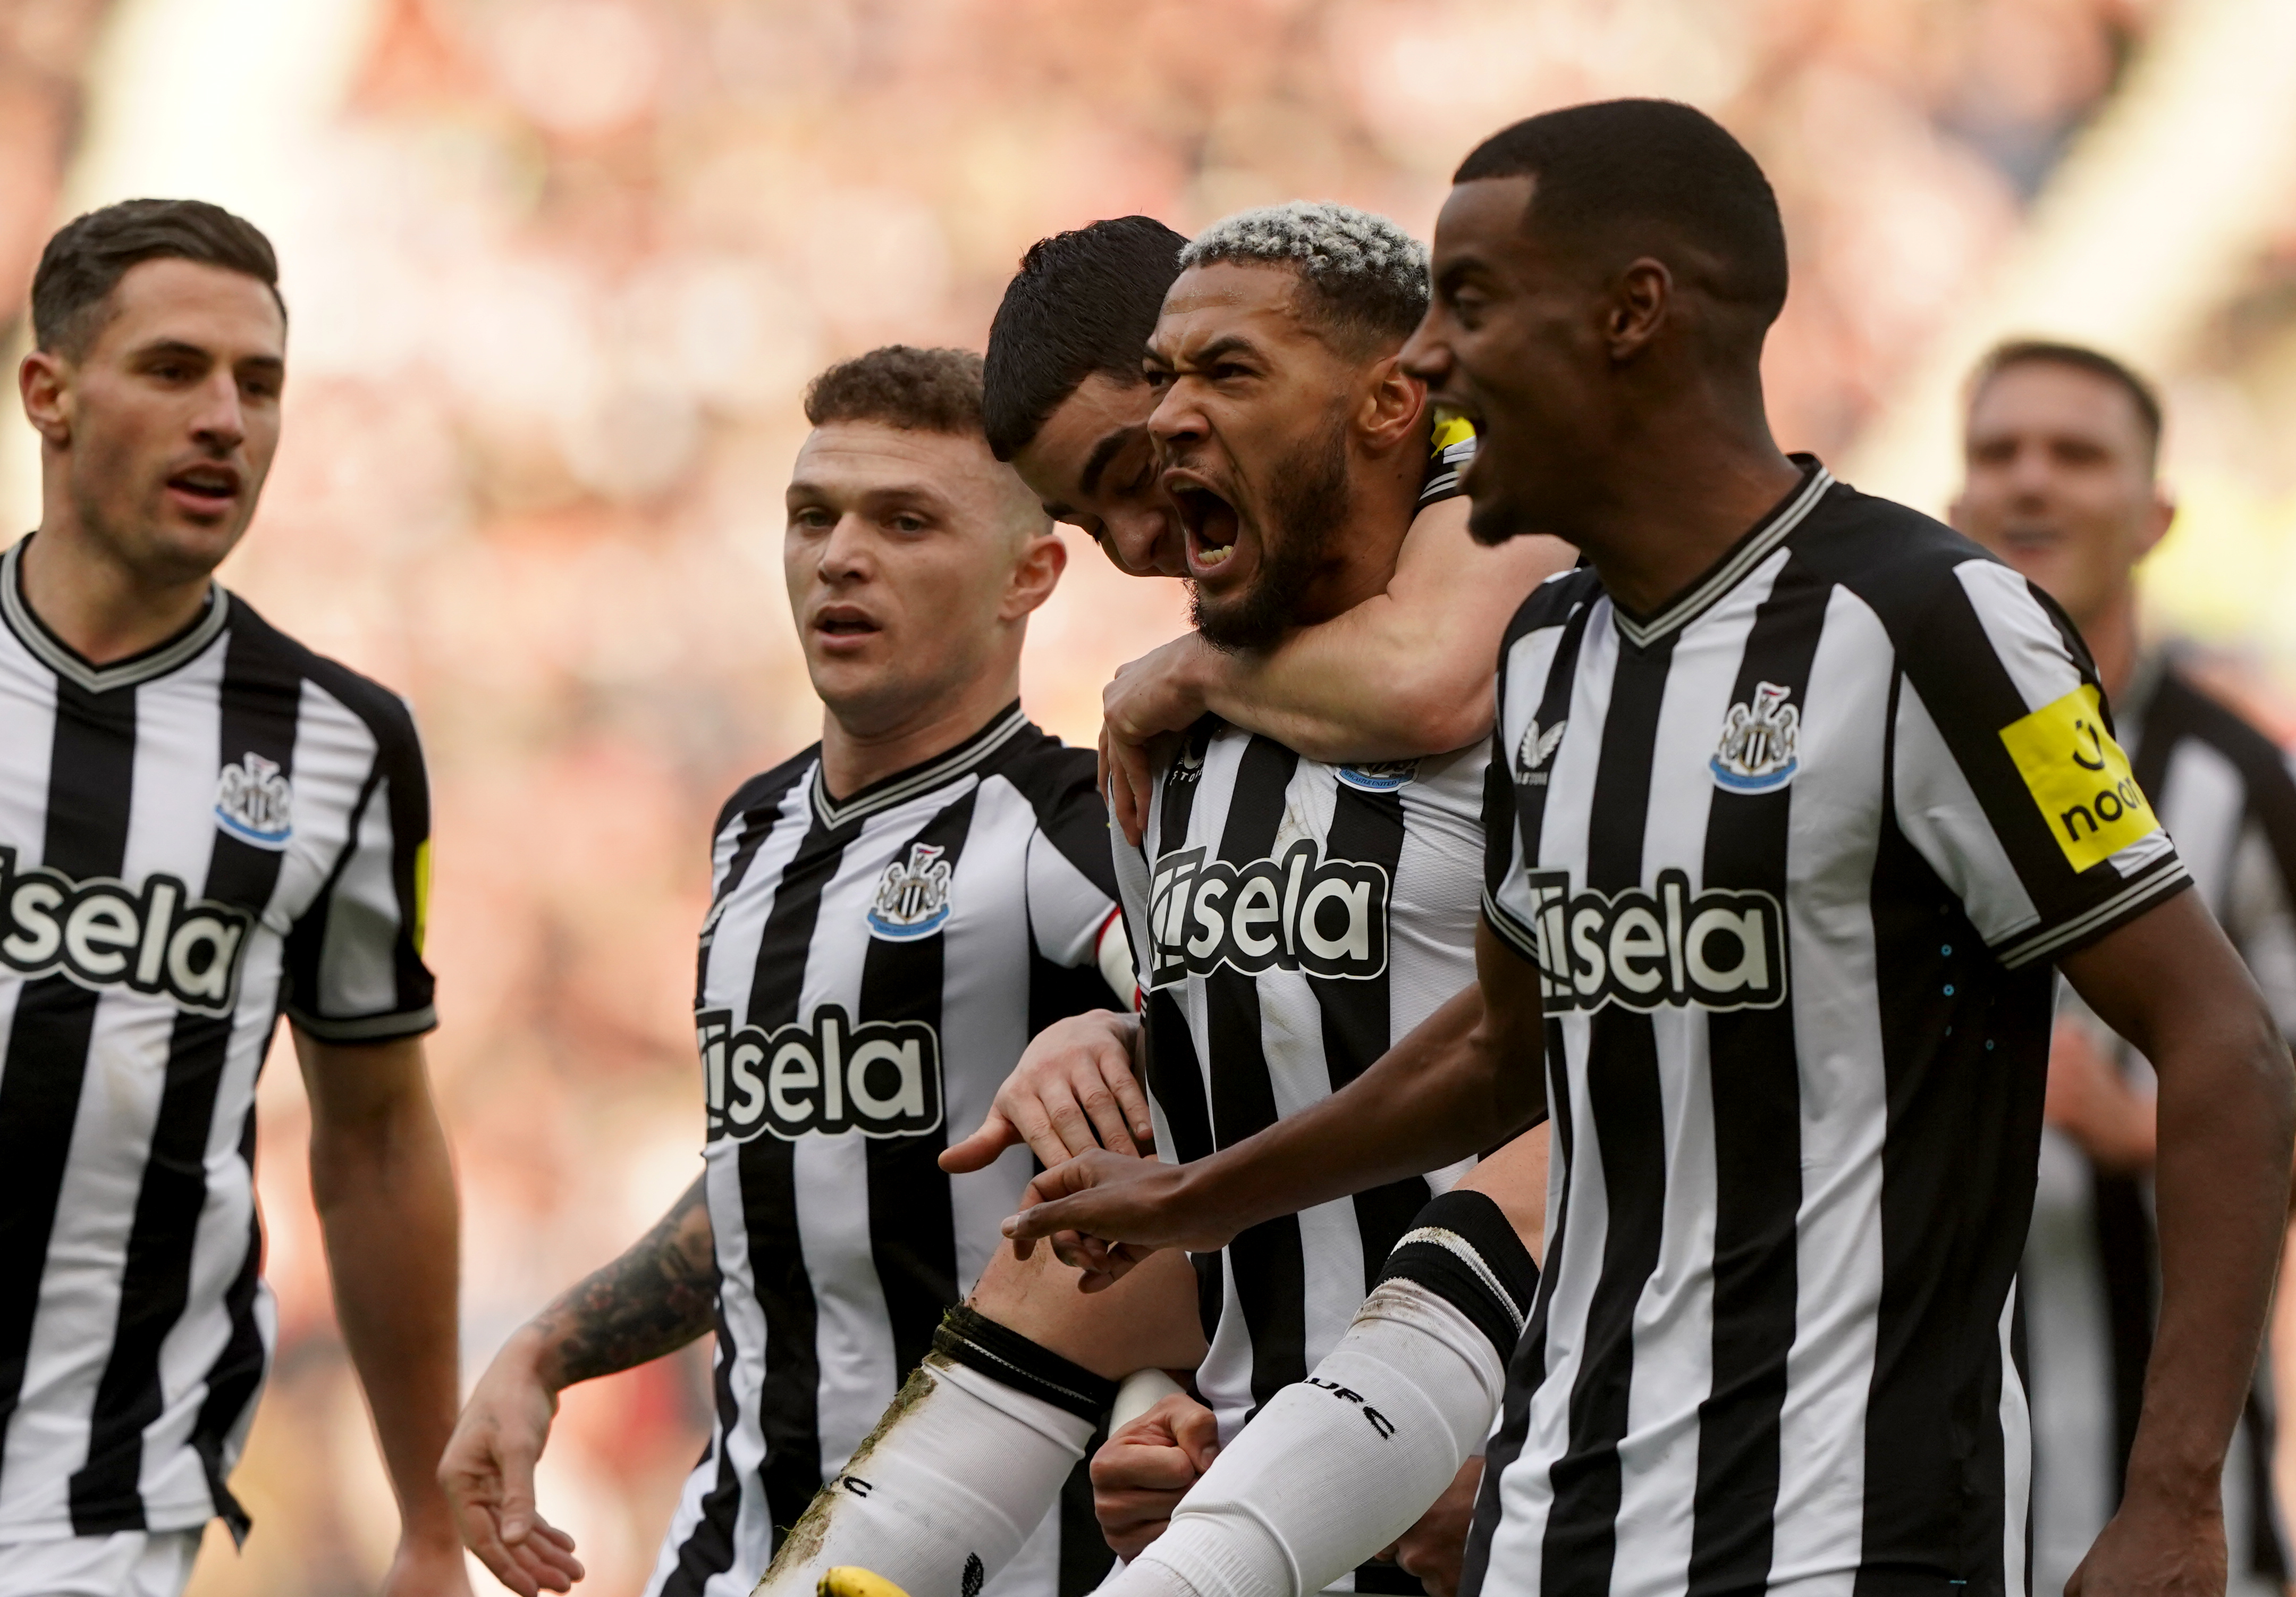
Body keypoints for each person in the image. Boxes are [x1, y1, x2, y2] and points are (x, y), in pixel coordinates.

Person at [1006, 99, 2295, 1597]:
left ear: (1634, 317)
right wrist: (1201, 1195)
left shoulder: (1934, 622)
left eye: (1471, 308)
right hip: (1561, 1520)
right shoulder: (1553, 650)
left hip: (1851, 1528)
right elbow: (1504, 1046)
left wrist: (2176, 1496)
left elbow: (2223, 1041)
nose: (1426, 365)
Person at [753, 204, 1554, 1597]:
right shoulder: (1166, 743)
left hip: (1541, 1459)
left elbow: (1609, 1076)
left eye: (1141, 459)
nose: (1136, 536)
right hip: (1303, 1494)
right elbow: (1234, 1135)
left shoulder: (1543, 605)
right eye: (1085, 507)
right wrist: (1158, 1401)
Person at [437, 346, 1140, 1597]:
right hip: (735, 1541)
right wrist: (542, 1352)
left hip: (999, 1560)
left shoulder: (1071, 822)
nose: (841, 555)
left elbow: (1261, 1043)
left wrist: (1127, 1038)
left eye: (905, 521)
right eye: (813, 515)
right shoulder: (753, 828)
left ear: (1028, 575)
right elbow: (779, 1179)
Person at [0, 200, 465, 1596]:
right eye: (174, 370)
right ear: (51, 393)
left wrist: (429, 1519)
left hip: (93, 1491)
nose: (227, 418)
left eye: (259, 385)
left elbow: (378, 1142)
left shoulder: (342, 743)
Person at [1950, 339, 2296, 1597]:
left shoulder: (2242, 788)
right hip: (1898, 1511)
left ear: (2155, 517)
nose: (2031, 483)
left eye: (2077, 454)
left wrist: (2150, 1125)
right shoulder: (1867, 758)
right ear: (1955, 505)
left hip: (2163, 1513)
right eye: (2000, 453)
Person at [979, 215, 1569, 843]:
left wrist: (1196, 670)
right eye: (1092, 528)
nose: (1133, 545)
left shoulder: (1491, 420)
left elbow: (1424, 681)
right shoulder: (1165, 745)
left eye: (1136, 473)